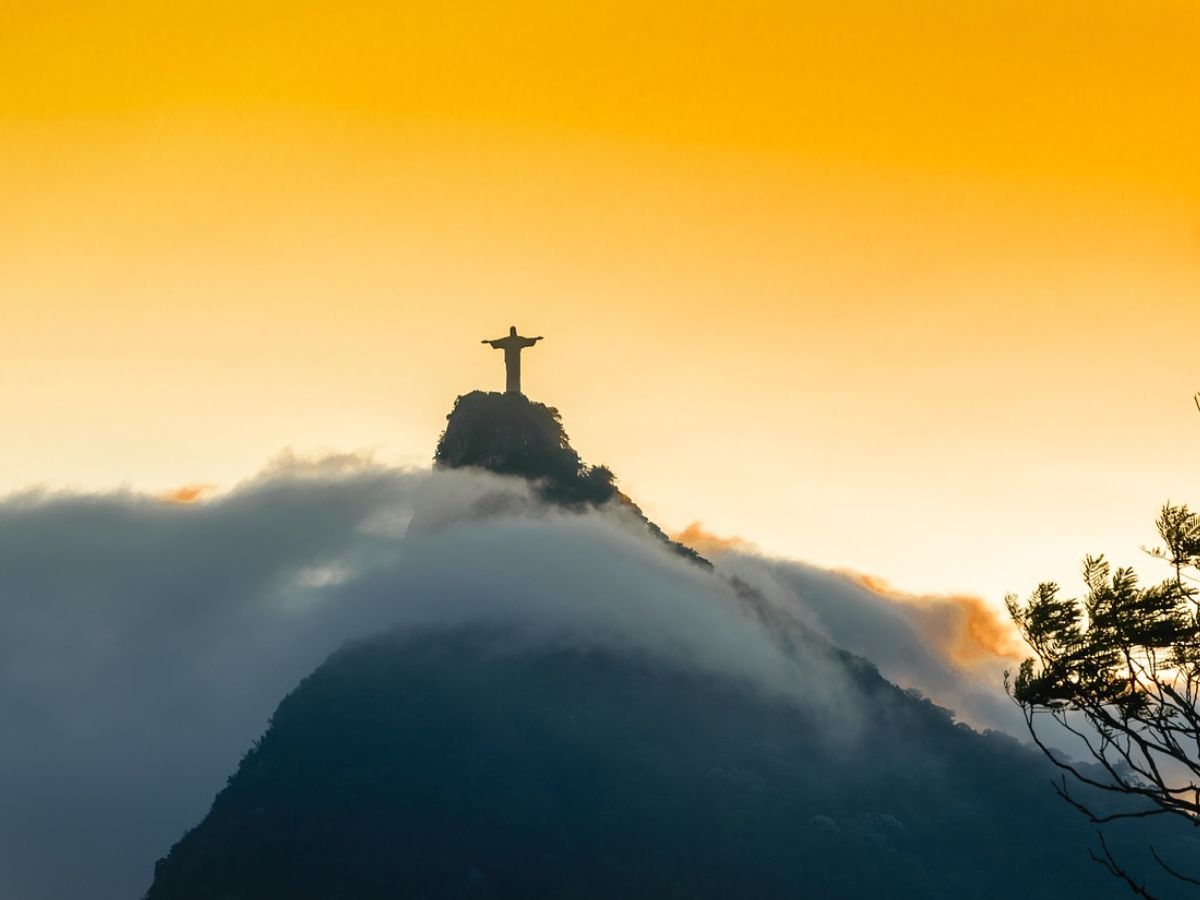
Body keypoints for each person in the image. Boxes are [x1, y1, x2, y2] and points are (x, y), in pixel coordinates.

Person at [481, 326, 543, 394]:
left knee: (515, 375)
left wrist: (536, 339)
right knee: (510, 375)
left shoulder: (515, 340)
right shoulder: (511, 340)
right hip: (511, 361)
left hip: (514, 361)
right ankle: (511, 391)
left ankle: (515, 391)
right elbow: (498, 342)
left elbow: (527, 340)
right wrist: (489, 342)